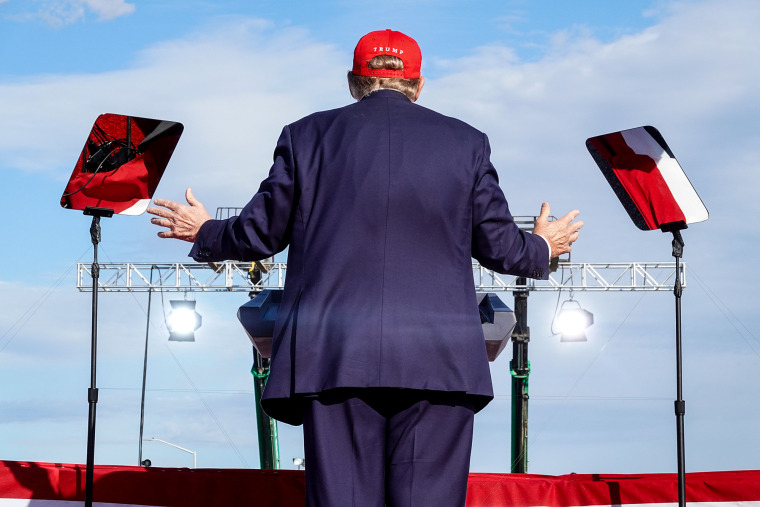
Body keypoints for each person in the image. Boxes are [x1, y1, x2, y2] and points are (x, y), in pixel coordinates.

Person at [148, 29, 582, 507]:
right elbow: (501, 247)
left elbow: (261, 234)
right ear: (418, 85)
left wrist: (204, 229)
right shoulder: (467, 143)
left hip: (334, 358)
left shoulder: (305, 137)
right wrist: (543, 245)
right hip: (439, 364)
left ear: (354, 82)